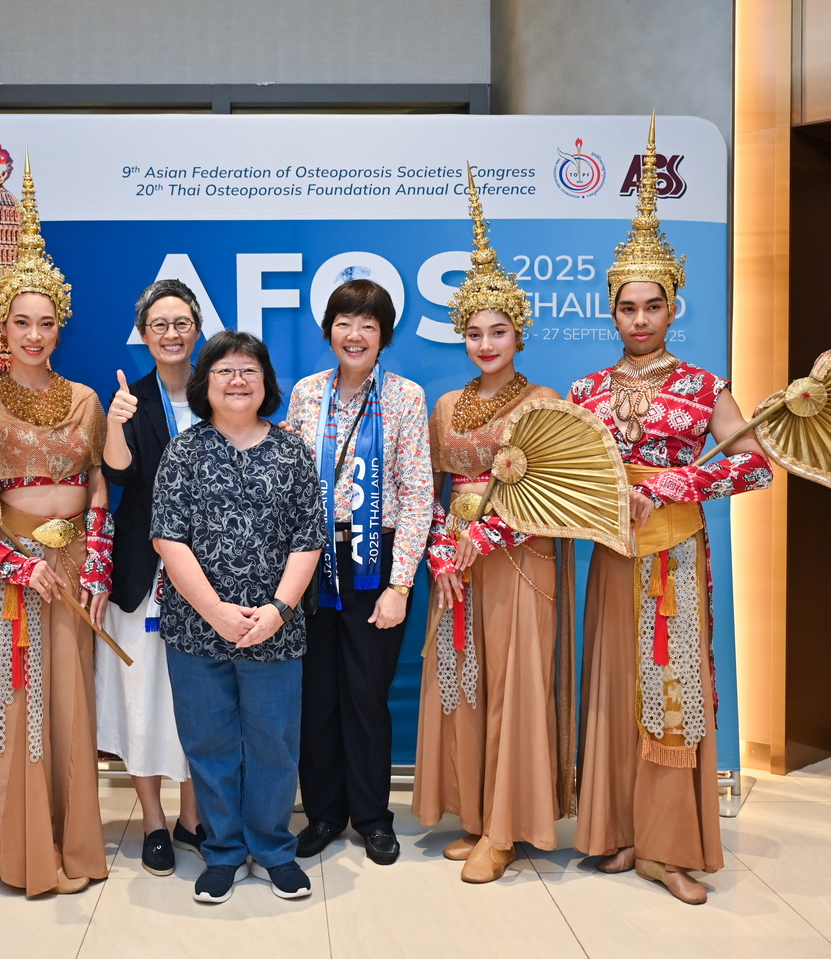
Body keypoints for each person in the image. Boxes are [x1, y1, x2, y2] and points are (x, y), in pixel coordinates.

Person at [571, 118, 773, 905]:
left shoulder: (702, 386)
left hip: (675, 562)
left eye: (653, 305)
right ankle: (620, 832)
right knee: (614, 689)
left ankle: (670, 847)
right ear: (611, 311)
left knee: (671, 693)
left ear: (673, 306)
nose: (640, 318)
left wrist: (673, 483)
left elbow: (754, 464)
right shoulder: (587, 389)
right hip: (610, 557)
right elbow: (572, 473)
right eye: (627, 306)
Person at [411, 170, 577, 884]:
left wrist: (485, 536)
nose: (485, 343)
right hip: (457, 561)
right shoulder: (446, 405)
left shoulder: (544, 401)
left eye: (498, 331)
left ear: (520, 332)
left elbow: (553, 492)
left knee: (515, 682)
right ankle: (478, 813)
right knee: (465, 680)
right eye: (474, 333)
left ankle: (507, 830)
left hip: (520, 556)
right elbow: (433, 489)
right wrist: (439, 551)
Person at [0, 158, 113, 896]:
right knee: (14, 700)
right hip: (11, 572)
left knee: (69, 707)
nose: (34, 334)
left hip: (73, 567)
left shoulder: (86, 399)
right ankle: (22, 852)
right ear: (2, 325)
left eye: (46, 322)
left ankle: (71, 842)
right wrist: (17, 564)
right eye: (21, 322)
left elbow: (99, 488)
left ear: (60, 326)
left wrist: (99, 565)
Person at [150, 331, 325, 904]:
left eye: (249, 369)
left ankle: (273, 850)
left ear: (265, 382)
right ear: (205, 383)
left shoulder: (292, 452)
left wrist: (278, 610)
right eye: (224, 370)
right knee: (210, 743)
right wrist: (216, 612)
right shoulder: (183, 452)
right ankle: (223, 850)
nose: (237, 380)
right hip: (196, 628)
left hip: (276, 629)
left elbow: (308, 539)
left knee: (275, 743)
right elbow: (168, 539)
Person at [284, 279, 433, 866]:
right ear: (329, 331)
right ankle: (323, 813)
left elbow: (417, 495)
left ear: (384, 336)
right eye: (344, 322)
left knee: (367, 695)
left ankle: (372, 817)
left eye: (368, 325)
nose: (355, 334)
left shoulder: (405, 397)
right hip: (312, 562)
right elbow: (292, 482)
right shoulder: (306, 393)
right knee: (317, 694)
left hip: (378, 559)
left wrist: (400, 585)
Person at [99, 279, 205, 875]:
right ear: (143, 335)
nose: (170, 333)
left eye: (181, 323)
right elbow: (119, 476)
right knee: (140, 698)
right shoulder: (130, 399)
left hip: (210, 577)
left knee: (197, 699)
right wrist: (115, 423)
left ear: (197, 330)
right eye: (159, 325)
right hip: (143, 573)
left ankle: (192, 818)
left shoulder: (219, 390)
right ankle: (153, 822)